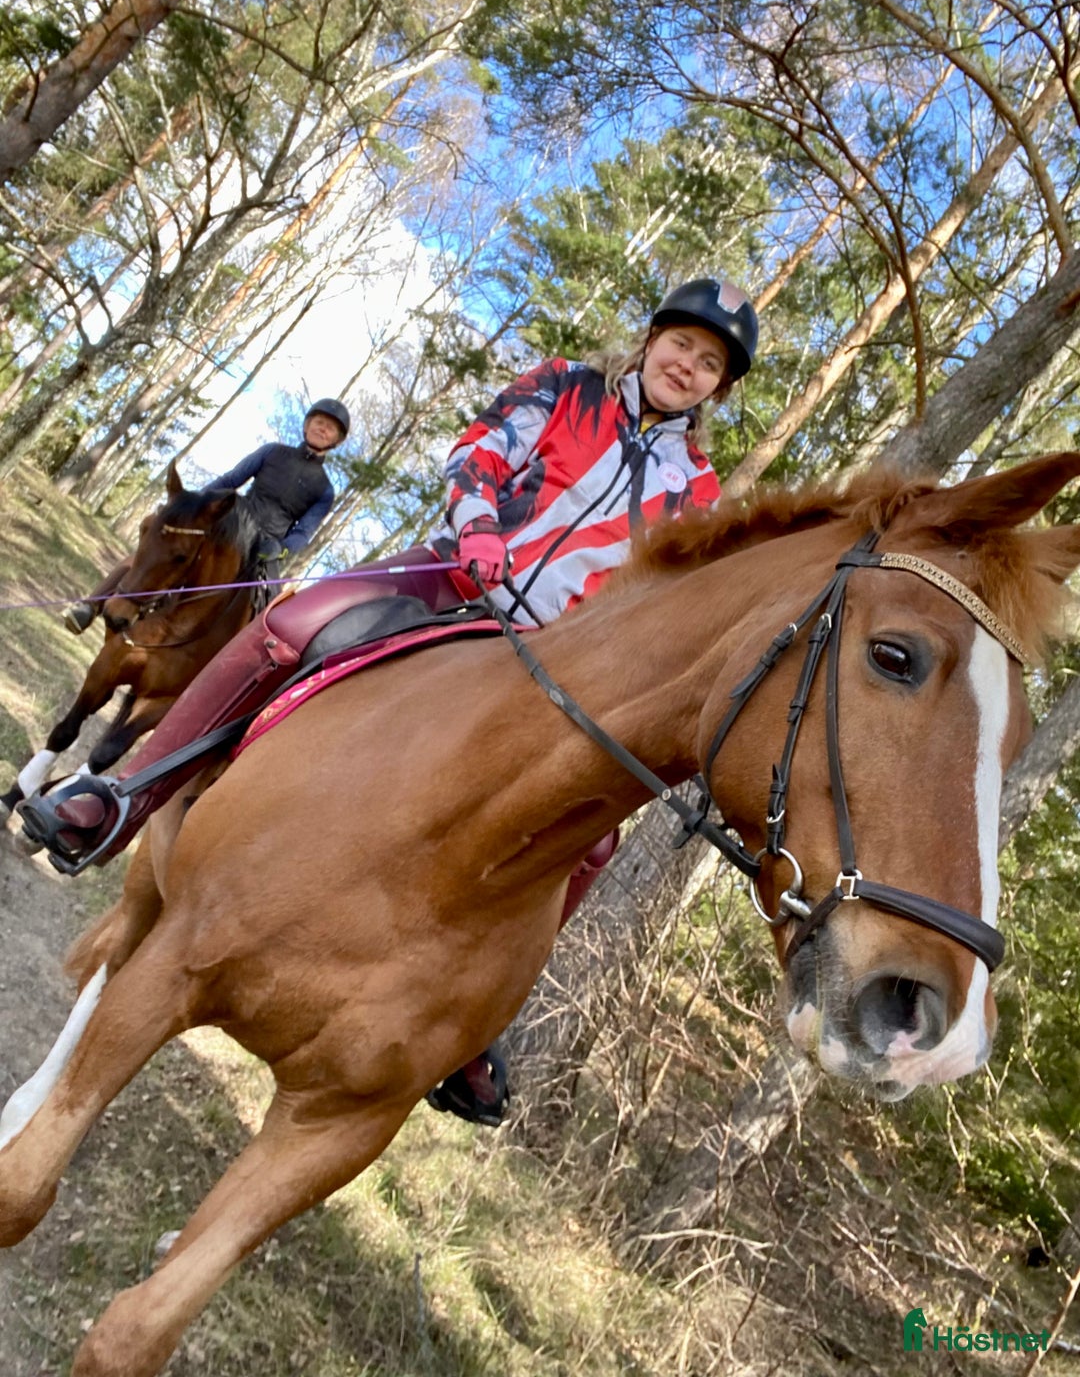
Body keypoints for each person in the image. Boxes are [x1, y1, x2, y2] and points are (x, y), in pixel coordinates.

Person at [24, 277, 758, 1123]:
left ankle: (482, 1016)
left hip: (552, 654)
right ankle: (121, 794)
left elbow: (647, 598)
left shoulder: (697, 491)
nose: (688, 366)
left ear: (718, 389)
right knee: (291, 624)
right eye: (682, 345)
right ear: (652, 338)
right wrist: (479, 523)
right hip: (453, 572)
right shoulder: (567, 384)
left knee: (593, 837)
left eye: (709, 365)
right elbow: (475, 452)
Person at [60, 398, 351, 632]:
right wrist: (193, 506)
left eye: (330, 429)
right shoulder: (273, 452)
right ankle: (91, 605)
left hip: (268, 547)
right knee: (161, 552)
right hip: (233, 523)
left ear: (336, 441)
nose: (323, 429)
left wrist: (283, 549)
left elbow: (304, 531)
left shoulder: (325, 489)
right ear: (307, 424)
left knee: (267, 618)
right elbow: (230, 480)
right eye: (319, 422)